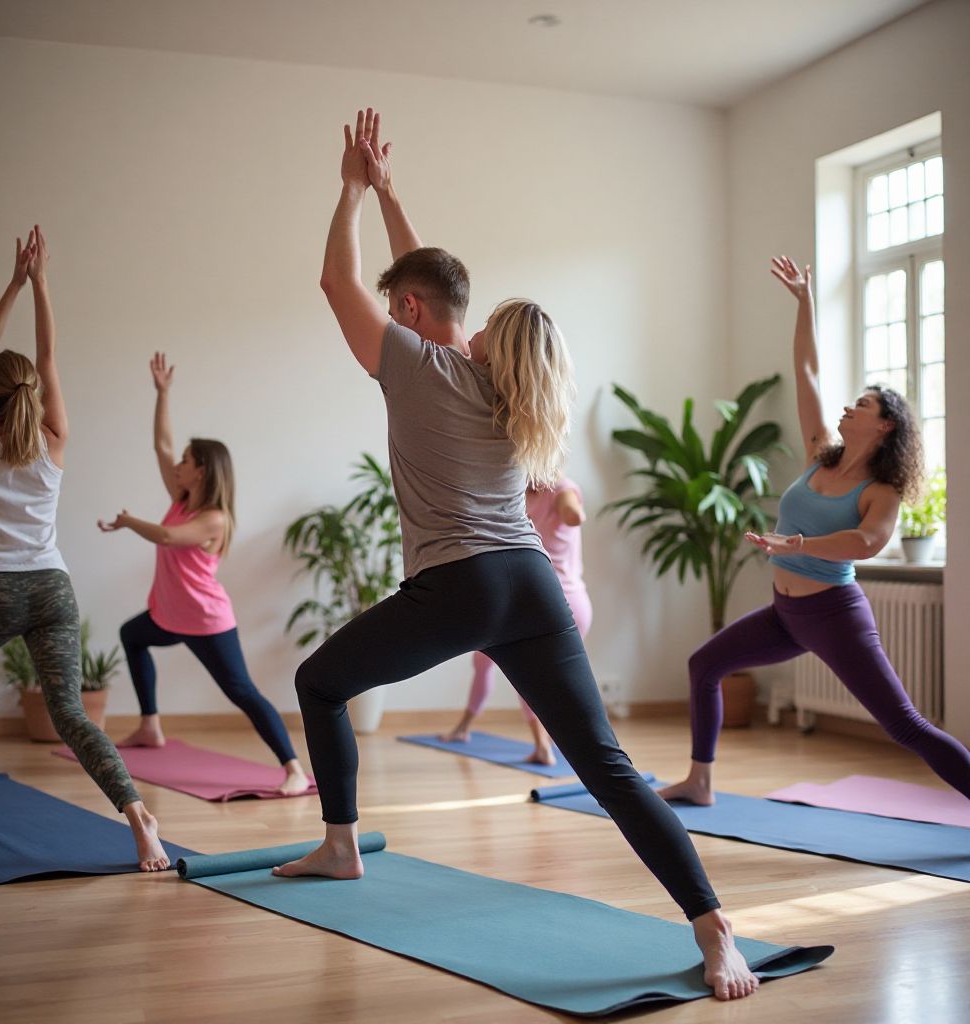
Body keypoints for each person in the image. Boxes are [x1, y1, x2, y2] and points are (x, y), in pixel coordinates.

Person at [272, 108, 760, 1002]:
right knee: (607, 765)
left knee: (319, 683)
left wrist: (350, 187)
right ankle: (712, 924)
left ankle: (341, 845)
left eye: (405, 310)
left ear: (421, 320)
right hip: (528, 585)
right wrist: (389, 192)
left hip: (458, 586)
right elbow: (432, 285)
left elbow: (338, 277)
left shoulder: (422, 366)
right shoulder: (507, 395)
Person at [658, 255, 970, 807]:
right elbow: (808, 372)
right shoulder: (818, 453)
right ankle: (700, 781)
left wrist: (797, 544)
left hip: (833, 616)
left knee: (903, 725)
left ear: (885, 425)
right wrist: (805, 303)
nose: (850, 406)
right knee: (704, 665)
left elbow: (869, 543)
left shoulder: (881, 489)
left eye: (864, 405)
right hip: (786, 615)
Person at [0, 227, 169, 870]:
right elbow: (47, 359)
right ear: (33, 399)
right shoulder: (53, 438)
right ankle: (137, 817)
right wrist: (44, 283)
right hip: (51, 589)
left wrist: (14, 282)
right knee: (72, 714)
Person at [97, 354, 311, 796]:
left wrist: (129, 521)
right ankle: (150, 725)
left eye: (187, 459)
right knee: (131, 636)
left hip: (204, 619)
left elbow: (169, 538)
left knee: (242, 691)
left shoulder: (215, 518)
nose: (178, 463)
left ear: (202, 470)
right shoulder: (182, 496)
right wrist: (162, 393)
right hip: (169, 613)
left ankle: (291, 767)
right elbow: (160, 444)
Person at [441, 480, 591, 764]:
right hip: (566, 600)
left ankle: (543, 746)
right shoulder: (522, 493)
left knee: (528, 673)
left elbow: (572, 512)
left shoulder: (561, 489)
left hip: (548, 599)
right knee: (485, 660)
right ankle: (464, 727)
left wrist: (572, 513)